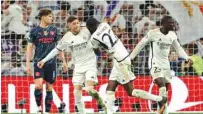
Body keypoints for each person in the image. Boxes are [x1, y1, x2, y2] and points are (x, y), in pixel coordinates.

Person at [86, 17, 167, 114]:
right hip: (122, 56)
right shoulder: (104, 25)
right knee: (110, 89)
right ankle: (109, 112)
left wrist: (92, 46)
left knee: (131, 92)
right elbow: (105, 22)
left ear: (90, 28)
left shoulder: (93, 38)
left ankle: (160, 99)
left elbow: (97, 52)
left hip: (121, 62)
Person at [37, 16, 107, 114]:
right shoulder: (67, 37)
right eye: (74, 24)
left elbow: (100, 33)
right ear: (69, 26)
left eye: (78, 23)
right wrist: (44, 60)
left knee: (89, 89)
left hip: (90, 65)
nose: (77, 25)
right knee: (76, 92)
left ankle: (103, 104)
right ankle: (82, 112)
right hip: (78, 68)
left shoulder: (87, 31)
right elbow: (56, 50)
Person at [130, 15, 193, 114]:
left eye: (173, 23)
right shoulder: (153, 33)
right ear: (164, 24)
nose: (172, 24)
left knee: (164, 90)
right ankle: (163, 109)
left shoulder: (172, 35)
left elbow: (179, 48)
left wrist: (187, 57)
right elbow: (140, 44)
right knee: (161, 83)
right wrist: (131, 57)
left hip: (166, 65)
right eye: (170, 23)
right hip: (154, 63)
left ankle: (162, 111)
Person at [26, 8, 67, 114]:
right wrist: (27, 64)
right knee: (38, 85)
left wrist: (64, 61)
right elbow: (30, 47)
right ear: (43, 17)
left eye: (52, 16)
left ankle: (47, 112)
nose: (51, 17)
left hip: (51, 63)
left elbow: (60, 47)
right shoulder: (34, 31)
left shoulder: (54, 29)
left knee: (49, 87)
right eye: (49, 16)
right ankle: (39, 108)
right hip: (38, 62)